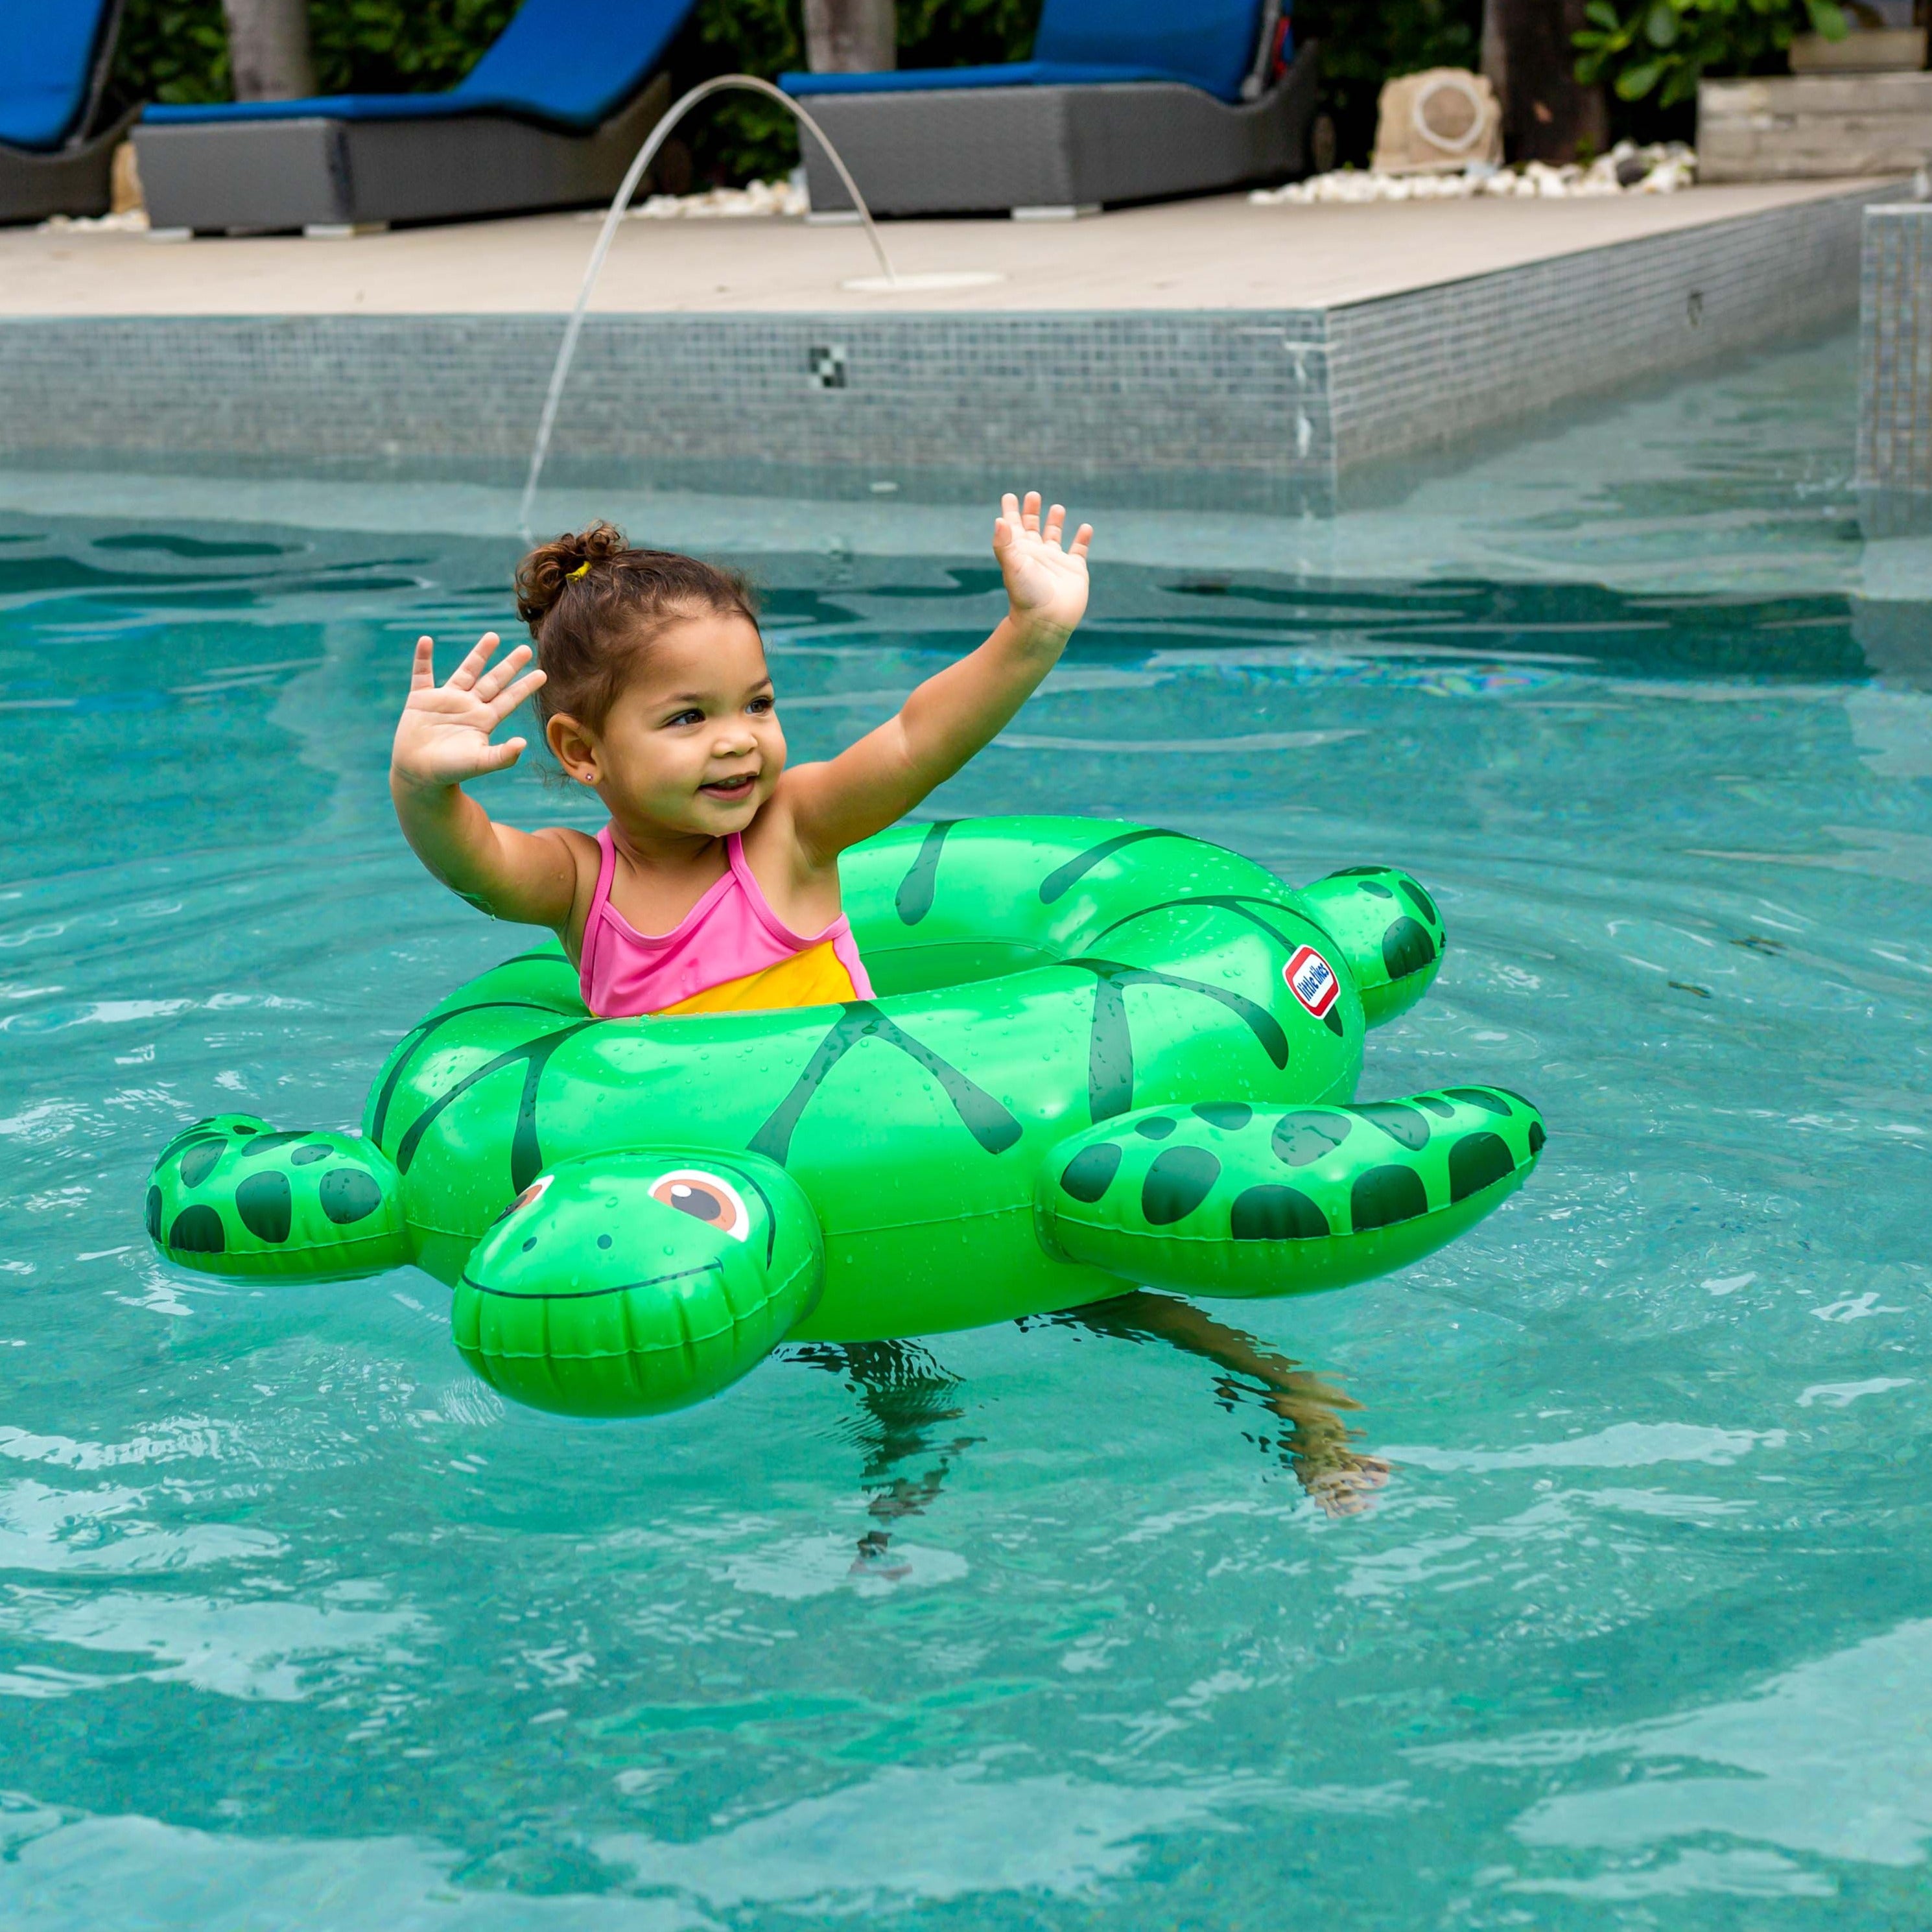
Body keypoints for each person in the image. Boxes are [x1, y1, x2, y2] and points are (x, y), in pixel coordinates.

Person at [389, 489, 1092, 1018]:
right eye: (688, 717)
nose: (737, 738)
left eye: (757, 703)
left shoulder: (792, 830)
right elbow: (475, 863)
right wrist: (420, 785)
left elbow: (916, 739)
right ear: (582, 750)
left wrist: (1031, 633)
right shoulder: (579, 884)